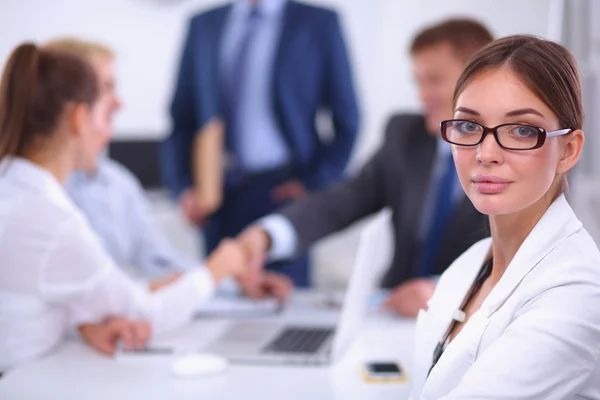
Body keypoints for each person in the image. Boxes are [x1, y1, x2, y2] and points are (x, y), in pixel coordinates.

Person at [0, 43, 250, 373]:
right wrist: (218, 268)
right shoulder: (54, 220)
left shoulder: (16, 187)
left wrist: (83, 322)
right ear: (79, 118)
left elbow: (38, 292)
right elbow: (146, 313)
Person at [237, 18, 493, 317]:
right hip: (393, 311)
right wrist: (268, 235)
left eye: (434, 80)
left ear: (478, 79)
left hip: (473, 322)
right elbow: (343, 201)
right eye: (418, 81)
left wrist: (444, 294)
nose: (423, 95)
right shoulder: (405, 135)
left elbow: (516, 260)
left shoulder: (509, 156)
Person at [409, 35, 600, 399]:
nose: (486, 153)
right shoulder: (468, 265)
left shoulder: (577, 293)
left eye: (522, 130)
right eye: (468, 126)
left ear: (569, 150)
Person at [44, 38, 291, 300]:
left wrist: (230, 284)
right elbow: (80, 292)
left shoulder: (117, 182)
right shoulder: (44, 189)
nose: (119, 103)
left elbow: (158, 259)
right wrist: (206, 274)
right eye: (106, 88)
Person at [161, 0, 360, 287]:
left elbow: (347, 120)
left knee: (283, 301)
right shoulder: (204, 24)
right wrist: (183, 186)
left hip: (284, 193)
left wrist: (314, 185)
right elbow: (182, 117)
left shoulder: (318, 23)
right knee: (218, 299)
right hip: (216, 194)